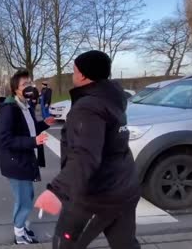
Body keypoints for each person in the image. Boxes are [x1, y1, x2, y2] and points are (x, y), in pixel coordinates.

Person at [34, 50, 141, 249]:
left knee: (65, 244)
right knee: (125, 245)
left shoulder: (88, 107)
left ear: (83, 75)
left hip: (95, 196)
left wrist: (57, 191)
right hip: (125, 187)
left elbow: (85, 154)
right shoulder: (112, 98)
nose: (73, 74)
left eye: (74, 71)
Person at [0, 69, 56, 245]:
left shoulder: (27, 106)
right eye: (25, 84)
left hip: (26, 160)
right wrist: (33, 142)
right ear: (16, 89)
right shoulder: (9, 109)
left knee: (27, 197)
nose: (29, 87)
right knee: (24, 200)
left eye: (30, 83)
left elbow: (30, 130)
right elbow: (6, 140)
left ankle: (21, 227)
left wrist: (44, 124)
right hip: (16, 162)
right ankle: (19, 234)